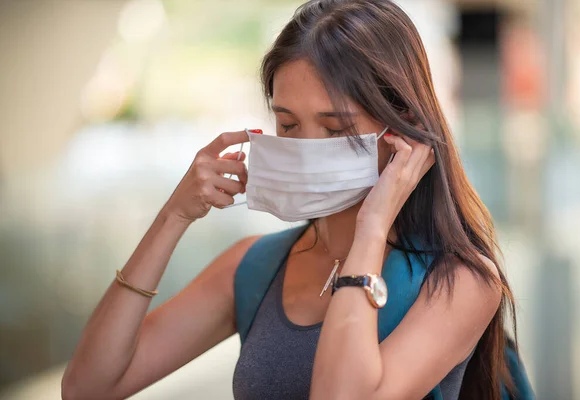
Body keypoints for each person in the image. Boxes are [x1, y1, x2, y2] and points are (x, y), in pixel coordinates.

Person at [61, 1, 520, 399]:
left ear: (400, 129)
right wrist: (173, 216)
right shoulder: (256, 267)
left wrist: (374, 226)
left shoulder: (459, 281)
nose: (306, 147)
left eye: (335, 128)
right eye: (288, 124)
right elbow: (89, 387)